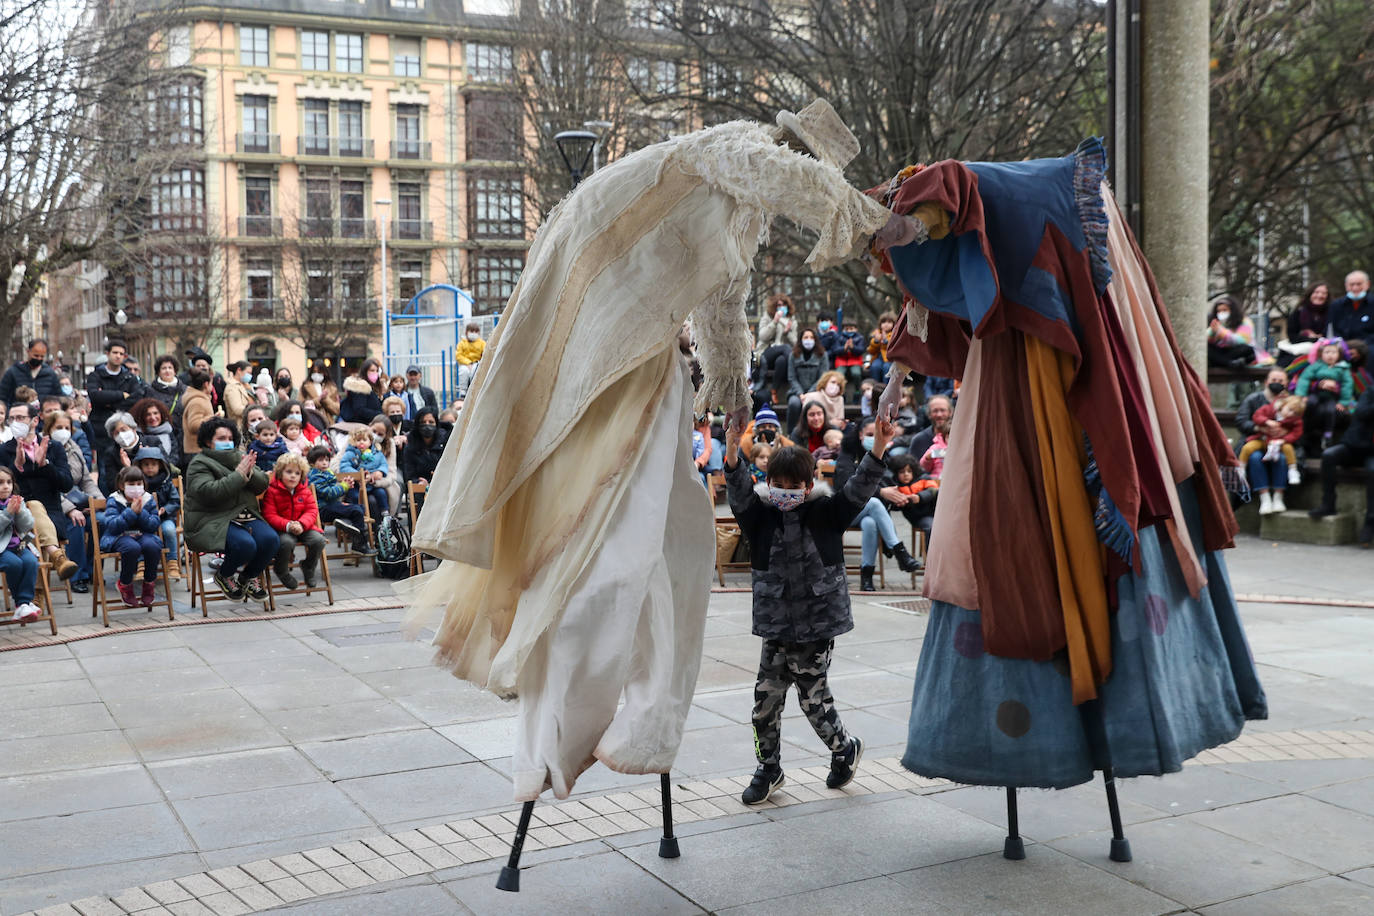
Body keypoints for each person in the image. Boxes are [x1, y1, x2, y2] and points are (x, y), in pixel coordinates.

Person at [404, 99, 915, 803]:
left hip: (637, 356)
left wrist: (733, 387)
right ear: (790, 151)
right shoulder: (727, 151)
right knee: (612, 557)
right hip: (611, 350)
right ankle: (584, 723)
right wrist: (874, 223)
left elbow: (721, 301)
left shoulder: (728, 209)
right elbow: (775, 180)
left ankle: (641, 719)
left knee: (674, 546)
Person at [870, 139, 1265, 794]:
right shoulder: (1022, 221)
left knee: (1028, 529)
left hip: (1047, 397)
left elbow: (949, 195)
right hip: (1015, 392)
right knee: (1007, 529)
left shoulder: (1025, 197)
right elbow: (941, 297)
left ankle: (1089, 726)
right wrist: (896, 375)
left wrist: (904, 218)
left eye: (916, 229)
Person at [723, 413, 897, 804]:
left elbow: (860, 487)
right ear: (768, 484)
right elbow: (736, 487)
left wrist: (880, 445)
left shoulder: (827, 513)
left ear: (809, 483)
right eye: (779, 485)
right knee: (764, 700)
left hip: (817, 626)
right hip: (776, 626)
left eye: (795, 486)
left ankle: (844, 747)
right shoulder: (759, 517)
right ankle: (768, 767)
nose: (786, 492)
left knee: (812, 698)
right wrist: (733, 445)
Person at [183, 417, 276, 601]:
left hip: (244, 515)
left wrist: (249, 471)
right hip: (212, 519)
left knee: (270, 540)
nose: (227, 442)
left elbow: (262, 485)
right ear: (209, 441)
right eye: (221, 438)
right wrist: (239, 475)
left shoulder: (238, 457)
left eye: (229, 438)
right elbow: (209, 492)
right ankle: (224, 575)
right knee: (245, 544)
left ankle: (247, 577)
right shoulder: (199, 463)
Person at [0, 402, 80, 581]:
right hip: (15, 516)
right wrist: (16, 467)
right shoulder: (4, 450)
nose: (15, 422)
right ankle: (57, 556)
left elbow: (66, 484)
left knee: (35, 522)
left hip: (51, 514)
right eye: (11, 418)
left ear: (35, 421)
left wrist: (45, 465)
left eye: (20, 418)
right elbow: (3, 488)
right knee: (32, 512)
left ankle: (34, 599)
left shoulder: (53, 447)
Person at [48, 409, 99, 592]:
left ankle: (94, 570)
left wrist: (99, 501)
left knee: (99, 520)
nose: (63, 430)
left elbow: (86, 480)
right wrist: (69, 509)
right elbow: (48, 487)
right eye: (58, 427)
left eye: (66, 427)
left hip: (78, 500)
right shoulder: (44, 449)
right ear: (49, 428)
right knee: (76, 522)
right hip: (54, 506)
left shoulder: (74, 448)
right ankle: (78, 576)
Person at [99, 467, 164, 607]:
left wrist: (141, 513)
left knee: (152, 546)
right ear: (122, 485)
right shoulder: (114, 499)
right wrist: (131, 512)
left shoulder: (148, 499)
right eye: (131, 484)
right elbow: (111, 525)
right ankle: (125, 584)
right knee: (131, 548)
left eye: (139, 484)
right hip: (118, 537)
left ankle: (149, 583)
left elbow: (154, 524)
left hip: (143, 534)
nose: (136, 488)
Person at [262, 452, 326, 590]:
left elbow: (312, 511)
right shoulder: (272, 491)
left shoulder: (304, 491)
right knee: (286, 542)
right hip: (281, 528)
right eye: (289, 472)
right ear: (280, 473)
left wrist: (302, 524)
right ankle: (281, 570)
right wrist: (288, 525)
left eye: (297, 473)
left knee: (318, 540)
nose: (293, 476)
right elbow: (269, 514)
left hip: (302, 526)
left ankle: (308, 566)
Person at [84, 339, 145, 471]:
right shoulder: (96, 376)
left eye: (121, 354)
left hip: (125, 429)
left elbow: (136, 397)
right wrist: (121, 395)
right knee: (104, 468)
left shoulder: (130, 377)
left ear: (125, 356)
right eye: (115, 352)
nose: (118, 356)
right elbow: (95, 396)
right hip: (101, 429)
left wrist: (108, 401)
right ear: (107, 354)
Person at [308, 445, 375, 556]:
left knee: (360, 508)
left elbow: (333, 493)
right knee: (356, 511)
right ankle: (359, 545)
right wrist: (343, 486)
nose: (325, 463)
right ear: (312, 463)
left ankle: (345, 522)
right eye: (320, 460)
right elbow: (328, 493)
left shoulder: (326, 473)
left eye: (327, 460)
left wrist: (344, 484)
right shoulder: (315, 476)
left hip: (331, 506)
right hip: (323, 510)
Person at [1243, 394, 1304, 514]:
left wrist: (1285, 437)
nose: (1291, 414)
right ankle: (1264, 498)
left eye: (1294, 413)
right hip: (1260, 440)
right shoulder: (1266, 407)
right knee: (1254, 457)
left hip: (1280, 446)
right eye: (1290, 410)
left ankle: (1278, 497)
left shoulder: (1295, 418)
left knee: (1281, 458)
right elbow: (1244, 422)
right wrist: (1262, 427)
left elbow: (1298, 433)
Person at [1294, 338, 1356, 452]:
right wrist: (1301, 395)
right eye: (1327, 352)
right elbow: (1305, 379)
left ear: (1339, 354)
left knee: (1330, 411)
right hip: (1316, 394)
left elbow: (1348, 385)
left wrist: (1343, 402)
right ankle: (1304, 430)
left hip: (1331, 398)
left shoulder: (1343, 368)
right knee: (1310, 404)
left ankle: (1328, 435)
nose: (1330, 355)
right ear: (1321, 354)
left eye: (1333, 352)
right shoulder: (1316, 365)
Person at [133, 446, 180, 578]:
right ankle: (141, 564)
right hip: (144, 519)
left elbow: (175, 500)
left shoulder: (167, 483)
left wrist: (166, 510)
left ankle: (172, 563)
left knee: (169, 530)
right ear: (140, 466)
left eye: (154, 464)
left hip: (164, 518)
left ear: (160, 465)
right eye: (146, 464)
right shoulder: (137, 484)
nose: (150, 467)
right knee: (140, 534)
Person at [0, 468, 40, 622]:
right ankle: (22, 603)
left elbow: (27, 526)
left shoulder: (17, 500)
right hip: (2, 551)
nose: (5, 486)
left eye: (9, 482)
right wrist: (7, 513)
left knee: (31, 562)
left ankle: (24, 603)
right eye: (1, 483)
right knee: (14, 564)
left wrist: (19, 512)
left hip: (20, 546)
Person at [782, 327, 829, 431]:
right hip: (797, 393)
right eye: (806, 337)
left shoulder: (823, 355)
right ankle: (791, 433)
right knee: (794, 404)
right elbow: (791, 377)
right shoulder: (793, 355)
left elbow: (823, 378)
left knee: (815, 407)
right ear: (801, 339)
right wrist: (800, 394)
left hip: (816, 391)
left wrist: (809, 395)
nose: (809, 339)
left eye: (811, 337)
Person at [753, 295, 799, 402]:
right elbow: (762, 336)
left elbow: (796, 342)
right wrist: (774, 322)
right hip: (766, 353)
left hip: (783, 356)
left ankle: (773, 391)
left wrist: (788, 332)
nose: (781, 307)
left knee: (781, 360)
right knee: (785, 348)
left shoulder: (792, 321)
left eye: (784, 305)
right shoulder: (767, 317)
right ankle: (794, 371)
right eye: (779, 305)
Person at [339, 426, 391, 518]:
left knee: (381, 493)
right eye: (358, 440)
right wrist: (358, 475)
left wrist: (380, 472)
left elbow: (383, 464)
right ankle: (358, 513)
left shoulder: (377, 454)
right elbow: (344, 466)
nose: (361, 442)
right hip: (356, 485)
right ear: (354, 442)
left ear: (370, 441)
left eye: (364, 440)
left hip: (372, 484)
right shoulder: (350, 454)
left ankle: (385, 512)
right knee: (354, 496)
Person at [1234, 368, 1292, 444]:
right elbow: (1241, 421)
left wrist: (1285, 430)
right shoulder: (1252, 399)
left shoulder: (1291, 401)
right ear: (1266, 382)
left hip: (1284, 441)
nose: (1277, 383)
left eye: (1281, 381)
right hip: (1254, 439)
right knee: (1255, 456)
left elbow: (1298, 424)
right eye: (1273, 380)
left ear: (1287, 383)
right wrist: (1259, 428)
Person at [0, 338, 60, 407]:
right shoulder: (13, 372)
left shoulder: (50, 374)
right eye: (36, 355)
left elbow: (58, 397)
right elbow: (3, 397)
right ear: (28, 352)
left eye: (42, 356)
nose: (39, 359)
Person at [179, 369, 216, 471]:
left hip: (199, 448)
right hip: (196, 449)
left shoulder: (201, 399)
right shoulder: (197, 401)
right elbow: (194, 425)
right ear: (206, 384)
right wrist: (212, 418)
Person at [130, 398, 181, 471]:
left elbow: (175, 455)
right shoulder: (138, 436)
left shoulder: (169, 432)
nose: (153, 418)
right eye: (148, 414)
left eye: (155, 413)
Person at [400, 406, 445, 487]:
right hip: (420, 487)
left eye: (431, 422)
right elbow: (409, 475)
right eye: (423, 422)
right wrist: (420, 483)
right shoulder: (410, 446)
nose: (427, 425)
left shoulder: (444, 442)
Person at [1206, 296, 1256, 368]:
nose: (1221, 313)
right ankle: (1230, 363)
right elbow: (1206, 337)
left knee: (1248, 350)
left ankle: (1226, 362)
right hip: (1221, 352)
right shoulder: (1215, 322)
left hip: (1235, 350)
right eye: (1219, 311)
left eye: (1224, 310)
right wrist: (1212, 332)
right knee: (1207, 349)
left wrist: (1222, 333)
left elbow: (1242, 340)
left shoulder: (1245, 321)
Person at [1329, 269, 1373, 350]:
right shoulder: (1336, 305)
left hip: (1368, 347)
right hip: (1341, 346)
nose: (1355, 288)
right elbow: (1330, 330)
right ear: (1346, 286)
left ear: (1368, 284)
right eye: (1351, 284)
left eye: (1359, 284)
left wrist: (1360, 347)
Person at [100, 412, 141, 492]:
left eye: (123, 430)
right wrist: (127, 469)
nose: (121, 435)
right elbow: (112, 485)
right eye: (116, 433)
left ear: (133, 429)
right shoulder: (111, 453)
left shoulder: (151, 443)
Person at [1287, 282, 1331, 347]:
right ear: (1310, 294)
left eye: (1324, 293)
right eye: (1316, 292)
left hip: (1325, 351)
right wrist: (1314, 339)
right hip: (1301, 351)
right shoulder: (1297, 313)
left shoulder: (1332, 312)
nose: (1320, 295)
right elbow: (1292, 337)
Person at [147, 355, 187, 423]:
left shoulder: (185, 390)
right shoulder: (150, 391)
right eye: (164, 368)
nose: (167, 371)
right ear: (158, 372)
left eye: (170, 368)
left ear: (175, 371)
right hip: (160, 430)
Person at [867, 312, 899, 380]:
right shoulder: (876, 334)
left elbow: (894, 348)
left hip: (890, 359)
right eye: (884, 322)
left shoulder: (895, 334)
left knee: (886, 368)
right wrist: (876, 341)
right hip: (878, 358)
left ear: (894, 324)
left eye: (889, 322)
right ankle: (875, 387)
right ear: (880, 324)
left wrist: (885, 341)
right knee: (875, 367)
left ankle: (885, 388)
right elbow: (871, 351)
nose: (886, 324)